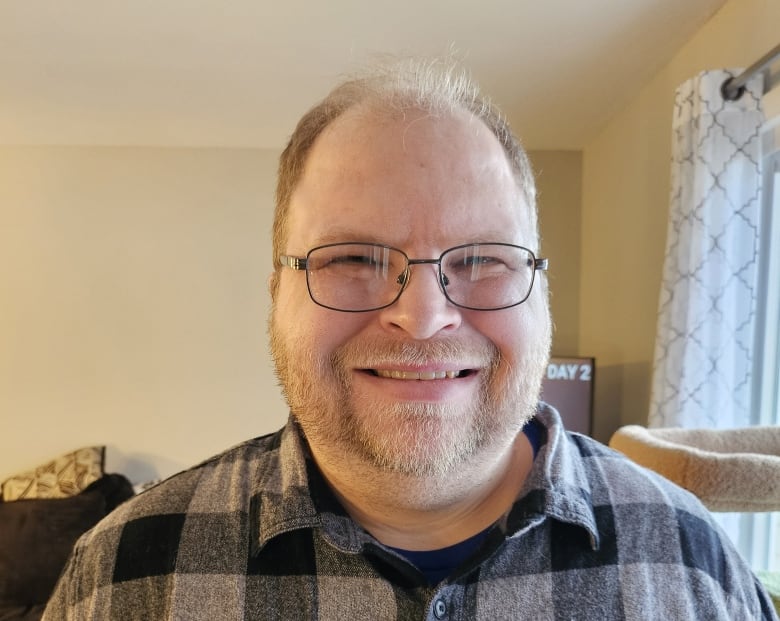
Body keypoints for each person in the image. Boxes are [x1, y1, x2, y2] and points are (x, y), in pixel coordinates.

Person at [44, 58, 776, 620]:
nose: (424, 316)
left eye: (484, 258)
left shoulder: (693, 565)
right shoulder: (122, 575)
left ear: (541, 293)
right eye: (353, 259)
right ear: (277, 296)